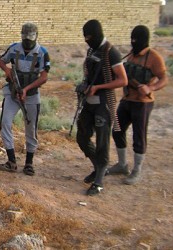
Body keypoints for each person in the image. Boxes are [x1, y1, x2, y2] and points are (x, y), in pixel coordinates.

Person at [107, 25, 168, 185]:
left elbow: (163, 78)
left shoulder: (154, 57)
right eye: (132, 39)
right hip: (127, 100)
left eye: (136, 39)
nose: (134, 42)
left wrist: (150, 88)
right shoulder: (131, 56)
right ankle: (122, 165)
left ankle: (137, 169)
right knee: (117, 130)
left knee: (139, 136)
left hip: (143, 103)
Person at [76, 19, 128, 196]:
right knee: (82, 137)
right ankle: (99, 166)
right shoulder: (92, 50)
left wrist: (98, 87)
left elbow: (123, 80)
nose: (86, 40)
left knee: (102, 142)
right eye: (85, 37)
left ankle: (99, 181)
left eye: (89, 36)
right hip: (89, 102)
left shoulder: (111, 52)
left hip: (104, 103)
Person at [0, 22, 50, 176]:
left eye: (30, 39)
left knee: (31, 128)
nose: (27, 42)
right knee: (5, 123)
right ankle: (11, 161)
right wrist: (7, 71)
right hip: (13, 94)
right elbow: (1, 60)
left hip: (31, 96)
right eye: (25, 38)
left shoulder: (42, 52)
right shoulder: (14, 48)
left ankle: (29, 163)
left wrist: (26, 89)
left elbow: (44, 77)